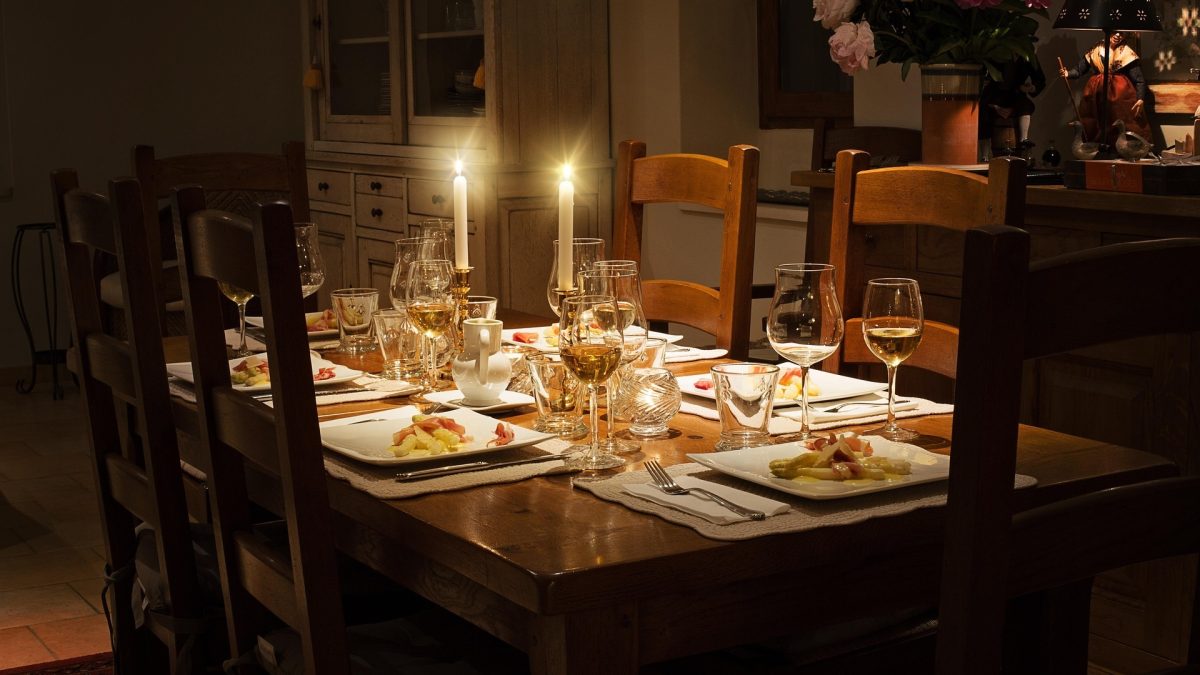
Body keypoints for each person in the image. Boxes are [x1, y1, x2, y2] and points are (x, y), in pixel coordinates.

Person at [1059, 31, 1150, 146]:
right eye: (1114, 32)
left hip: (1119, 93)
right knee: (1095, 120)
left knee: (1119, 122)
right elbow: (1080, 69)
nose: (1117, 35)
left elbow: (1139, 79)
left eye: (1121, 33)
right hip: (1096, 92)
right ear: (1107, 31)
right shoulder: (1096, 49)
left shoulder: (1127, 53)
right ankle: (1097, 147)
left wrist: (1140, 98)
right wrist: (1068, 73)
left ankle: (1121, 148)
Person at [979, 57, 1046, 155]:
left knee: (1026, 106)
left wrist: (1032, 88)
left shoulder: (1027, 55)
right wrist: (996, 107)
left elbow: (1040, 79)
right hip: (993, 94)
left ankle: (1024, 139)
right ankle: (984, 156)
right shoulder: (995, 51)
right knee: (983, 112)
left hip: (1016, 95)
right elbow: (983, 73)